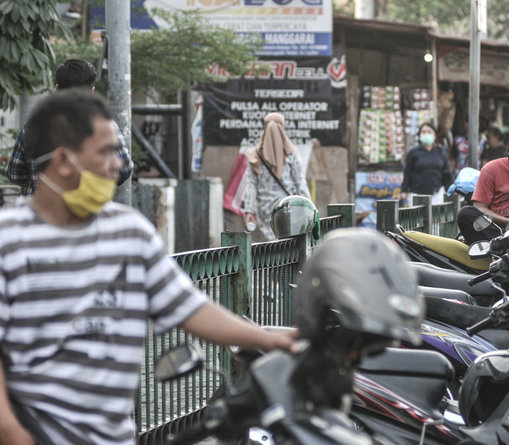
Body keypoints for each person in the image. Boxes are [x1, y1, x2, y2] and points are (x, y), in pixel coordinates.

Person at [0, 90, 297, 445]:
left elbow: (188, 307)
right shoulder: (9, 239)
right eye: (107, 152)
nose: (119, 165)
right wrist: (14, 434)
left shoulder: (129, 232)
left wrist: (268, 339)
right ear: (64, 160)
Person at [6, 59, 133, 195]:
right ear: (91, 91)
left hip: (40, 208)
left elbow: (15, 173)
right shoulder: (105, 127)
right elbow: (124, 169)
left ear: (57, 89)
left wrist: (39, 182)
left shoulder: (33, 126)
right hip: (89, 209)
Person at [242, 112, 311, 241]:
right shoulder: (291, 154)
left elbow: (251, 185)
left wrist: (249, 211)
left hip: (265, 210)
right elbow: (300, 183)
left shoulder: (254, 156)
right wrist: (309, 206)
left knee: (272, 245)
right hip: (288, 208)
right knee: (287, 243)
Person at [399, 122, 452, 205]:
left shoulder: (441, 151)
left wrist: (450, 191)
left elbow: (447, 173)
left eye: (429, 132)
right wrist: (404, 191)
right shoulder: (413, 152)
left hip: (437, 195)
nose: (426, 134)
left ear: (435, 135)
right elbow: (407, 173)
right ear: (419, 135)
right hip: (416, 195)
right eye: (423, 132)